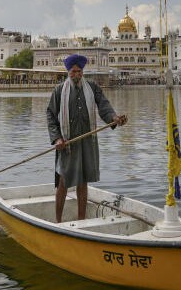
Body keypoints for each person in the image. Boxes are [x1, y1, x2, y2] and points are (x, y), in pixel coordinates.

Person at [46, 54, 127, 222]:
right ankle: (58, 221)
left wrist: (114, 118)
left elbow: (104, 106)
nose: (77, 75)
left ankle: (82, 220)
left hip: (87, 142)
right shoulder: (59, 90)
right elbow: (51, 115)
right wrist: (57, 139)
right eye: (73, 72)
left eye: (79, 72)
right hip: (67, 143)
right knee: (63, 181)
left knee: (83, 182)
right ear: (68, 72)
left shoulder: (92, 87)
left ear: (83, 72)